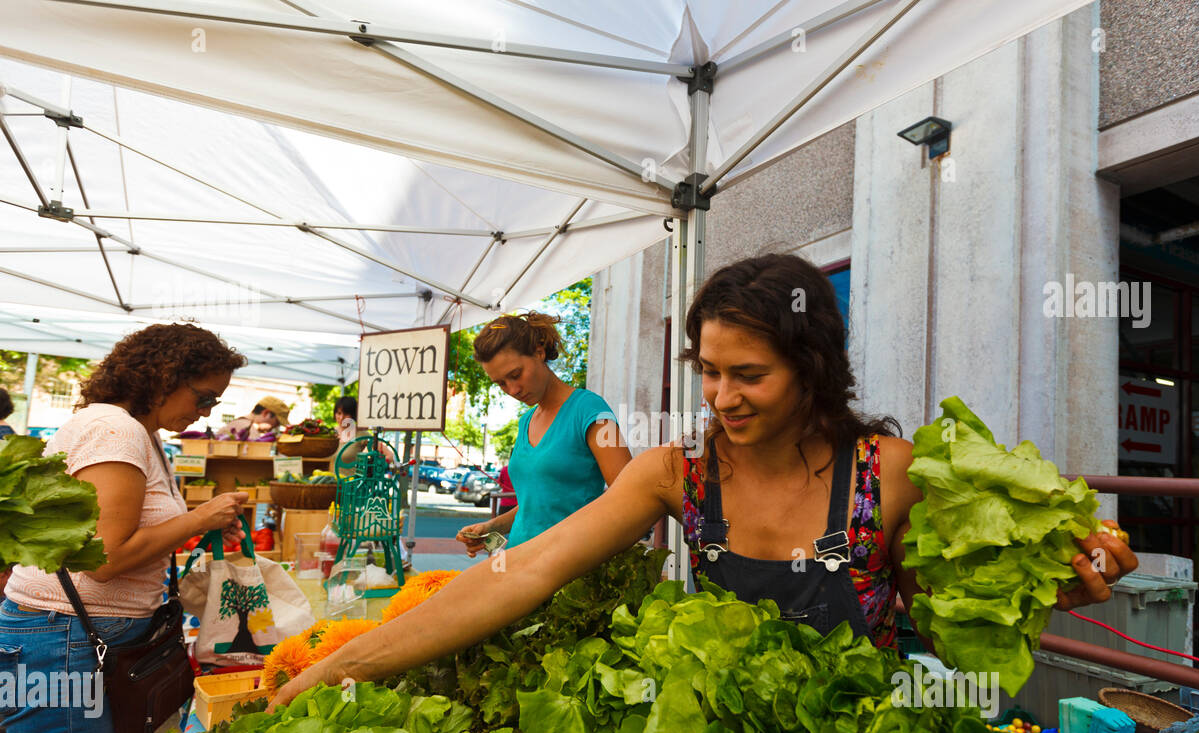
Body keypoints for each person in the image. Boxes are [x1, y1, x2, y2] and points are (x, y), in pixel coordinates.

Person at [272, 254, 1137, 708]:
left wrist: (1039, 589)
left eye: (749, 375)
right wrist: (349, 661)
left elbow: (946, 637)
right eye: (709, 371)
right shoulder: (674, 475)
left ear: (812, 366)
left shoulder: (893, 474)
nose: (722, 397)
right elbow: (522, 572)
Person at [0, 323, 250, 733]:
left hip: (62, 635)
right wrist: (199, 516)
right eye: (203, 396)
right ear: (163, 377)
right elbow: (107, 557)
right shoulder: (116, 432)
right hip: (66, 640)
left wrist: (193, 523)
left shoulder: (129, 430)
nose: (206, 411)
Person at [455, 312, 632, 556]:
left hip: (569, 570)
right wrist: (492, 527)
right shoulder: (525, 421)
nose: (513, 390)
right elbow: (538, 504)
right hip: (518, 564)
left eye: (516, 375)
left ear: (539, 352)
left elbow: (629, 497)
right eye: (501, 383)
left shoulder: (590, 410)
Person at [215, 395, 290, 441]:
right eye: (277, 422)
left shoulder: (238, 423)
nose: (276, 426)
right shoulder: (247, 429)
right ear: (266, 413)